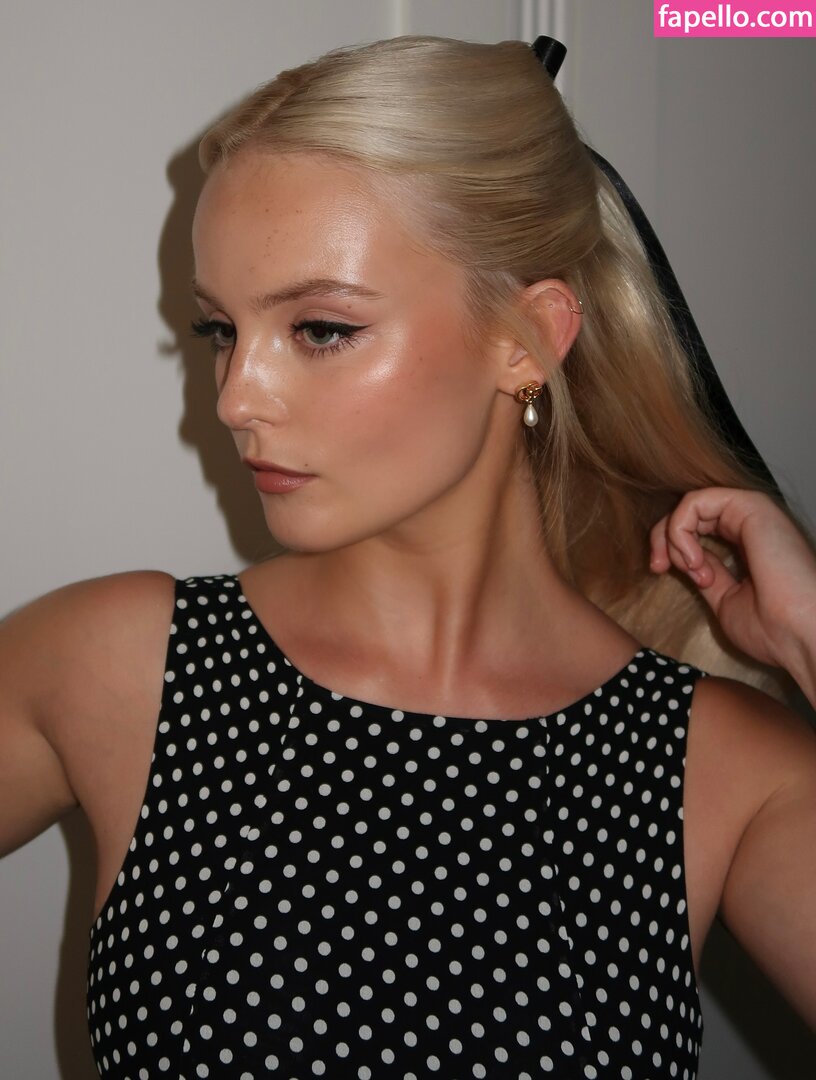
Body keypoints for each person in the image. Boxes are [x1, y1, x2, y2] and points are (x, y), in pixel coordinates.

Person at [1, 34, 815, 1078]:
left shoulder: (722, 768)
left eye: (319, 329)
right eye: (219, 332)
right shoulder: (122, 667)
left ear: (526, 338)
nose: (236, 398)